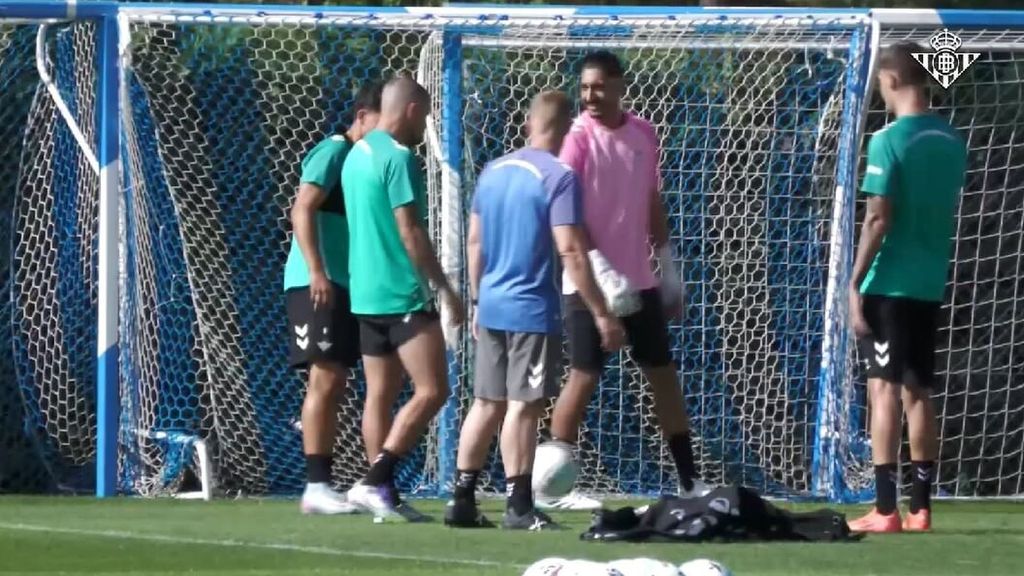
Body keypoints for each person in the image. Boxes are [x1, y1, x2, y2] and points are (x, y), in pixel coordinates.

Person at [443, 91, 626, 531]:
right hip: (530, 309)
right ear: (565, 128)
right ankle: (519, 507)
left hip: (490, 305)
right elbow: (570, 250)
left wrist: (476, 301)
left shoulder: (493, 171)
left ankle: (462, 502)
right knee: (523, 407)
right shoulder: (559, 176)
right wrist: (601, 313)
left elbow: (474, 241)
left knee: (485, 403)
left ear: (529, 123)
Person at [544, 50, 708, 511]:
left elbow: (652, 200)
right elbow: (567, 216)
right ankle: (552, 487)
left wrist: (669, 268)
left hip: (639, 283)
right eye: (584, 89)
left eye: (597, 86)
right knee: (583, 376)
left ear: (619, 86)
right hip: (588, 285)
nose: (590, 96)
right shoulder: (576, 139)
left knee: (663, 378)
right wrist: (598, 268)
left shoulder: (644, 133)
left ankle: (689, 480)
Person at [847, 42, 967, 534]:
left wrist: (854, 283)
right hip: (929, 281)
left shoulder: (887, 141)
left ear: (892, 81)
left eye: (880, 82)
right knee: (921, 392)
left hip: (890, 283)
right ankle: (921, 510)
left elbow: (877, 217)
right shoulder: (952, 140)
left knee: (883, 391)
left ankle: (884, 508)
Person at [341, 76, 465, 522]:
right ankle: (376, 480)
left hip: (365, 294)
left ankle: (382, 498)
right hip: (401, 293)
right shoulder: (399, 157)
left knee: (380, 393)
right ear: (412, 108)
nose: (426, 125)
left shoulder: (356, 154)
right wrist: (446, 289)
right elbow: (409, 231)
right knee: (433, 390)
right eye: (426, 114)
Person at [283, 82, 382, 515]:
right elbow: (302, 208)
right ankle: (316, 486)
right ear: (362, 115)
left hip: (346, 283)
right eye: (382, 120)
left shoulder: (367, 161)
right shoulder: (334, 150)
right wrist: (318, 271)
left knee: (338, 379)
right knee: (324, 378)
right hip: (317, 281)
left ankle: (338, 483)